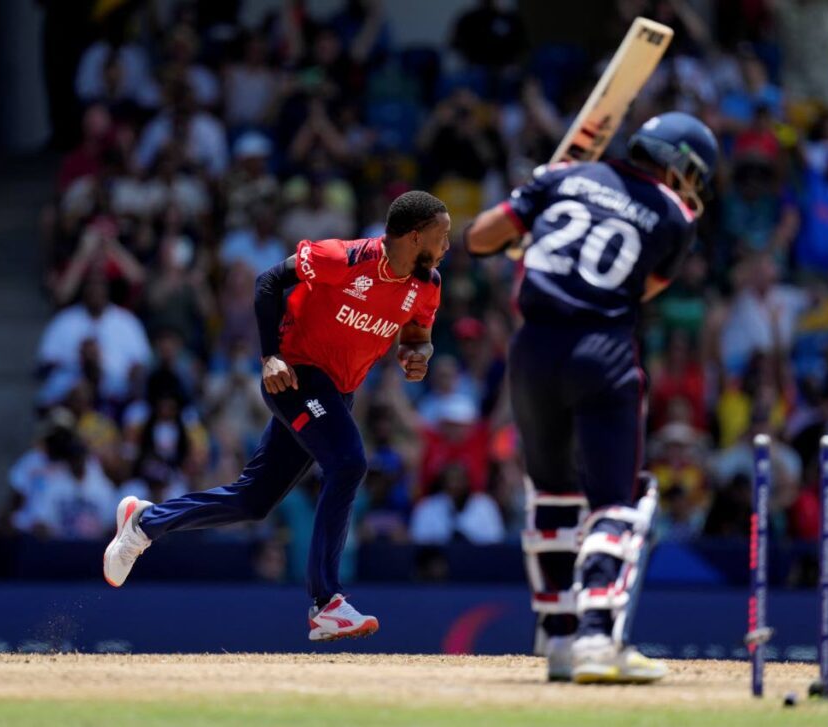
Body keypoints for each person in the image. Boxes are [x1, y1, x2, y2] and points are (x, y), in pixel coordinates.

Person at [103, 192, 451, 642]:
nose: (447, 245)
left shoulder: (428, 284)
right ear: (414, 235)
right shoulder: (342, 257)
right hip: (295, 378)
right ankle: (326, 602)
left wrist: (415, 355)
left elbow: (418, 336)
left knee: (254, 500)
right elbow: (268, 281)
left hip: (337, 393)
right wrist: (270, 357)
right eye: (442, 236)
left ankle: (145, 523)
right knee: (348, 462)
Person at [466, 112, 718, 683]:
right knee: (617, 501)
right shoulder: (675, 218)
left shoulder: (557, 179)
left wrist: (529, 224)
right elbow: (642, 288)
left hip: (530, 353)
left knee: (551, 498)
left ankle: (558, 642)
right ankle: (597, 640)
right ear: (679, 166)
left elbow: (478, 238)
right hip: (601, 352)